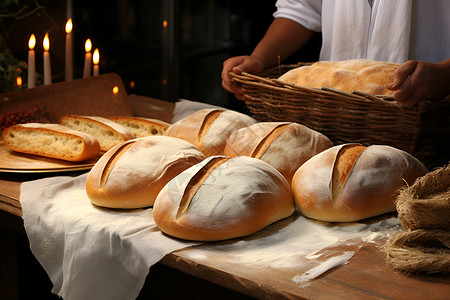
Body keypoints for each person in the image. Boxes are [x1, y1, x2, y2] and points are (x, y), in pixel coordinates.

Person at [221, 0, 450, 107]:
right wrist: (259, 58)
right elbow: (302, 8)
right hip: (333, 110)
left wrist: (446, 73)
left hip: (431, 118)